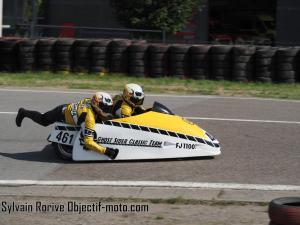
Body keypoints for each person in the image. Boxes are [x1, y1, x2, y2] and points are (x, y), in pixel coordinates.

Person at [15, 92, 119, 159]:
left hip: (71, 110)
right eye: (105, 108)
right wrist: (106, 151)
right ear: (97, 105)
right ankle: (23, 112)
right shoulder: (89, 118)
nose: (107, 110)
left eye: (108, 108)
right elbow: (88, 142)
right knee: (43, 120)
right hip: (61, 112)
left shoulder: (89, 101)